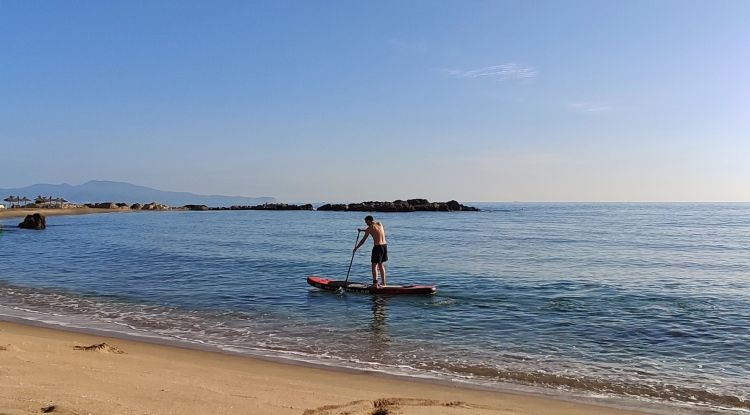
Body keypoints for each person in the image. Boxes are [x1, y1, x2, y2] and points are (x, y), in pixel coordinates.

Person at [353, 215, 388, 287]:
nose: (366, 223)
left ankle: (375, 284)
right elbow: (373, 230)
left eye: (366, 222)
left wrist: (356, 248)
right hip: (384, 246)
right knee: (381, 265)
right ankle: (383, 283)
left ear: (369, 221)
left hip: (377, 247)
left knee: (374, 266)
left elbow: (363, 240)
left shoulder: (370, 228)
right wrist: (362, 230)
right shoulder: (379, 223)